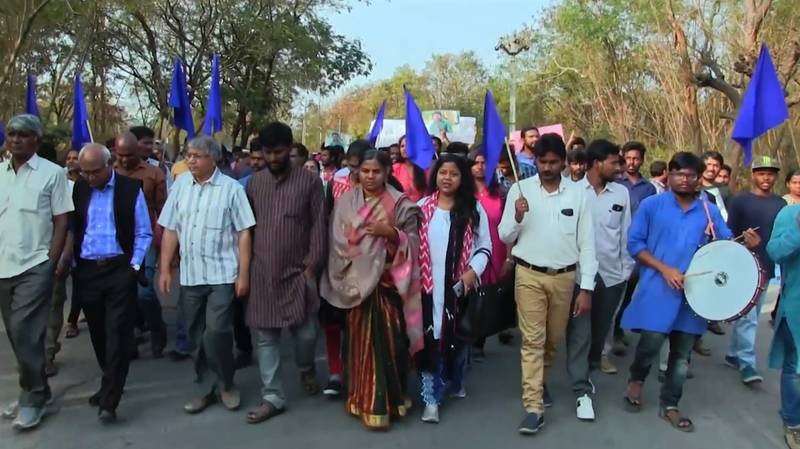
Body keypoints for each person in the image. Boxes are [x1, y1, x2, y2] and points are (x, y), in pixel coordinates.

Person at [620, 152, 760, 432]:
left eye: (690, 175)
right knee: (650, 344)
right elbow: (635, 244)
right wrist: (665, 269)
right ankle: (636, 381)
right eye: (678, 174)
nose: (684, 179)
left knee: (682, 355)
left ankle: (670, 404)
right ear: (669, 176)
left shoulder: (707, 209)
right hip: (658, 289)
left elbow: (725, 244)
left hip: (695, 295)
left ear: (698, 180)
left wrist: (747, 244)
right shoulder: (651, 205)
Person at [498, 133, 597, 435]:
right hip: (528, 275)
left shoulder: (579, 194)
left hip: (565, 278)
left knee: (553, 340)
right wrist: (516, 216)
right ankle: (533, 406)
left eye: (554, 162)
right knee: (532, 340)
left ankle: (539, 382)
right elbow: (504, 235)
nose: (547, 167)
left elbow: (588, 244)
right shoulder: (520, 188)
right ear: (536, 161)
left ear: (564, 163)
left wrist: (587, 288)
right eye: (542, 162)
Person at [319, 149, 422, 429]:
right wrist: (357, 258)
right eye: (365, 171)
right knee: (358, 342)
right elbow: (337, 241)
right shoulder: (346, 202)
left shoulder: (400, 204)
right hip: (355, 283)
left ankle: (390, 401)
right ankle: (361, 399)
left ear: (387, 172)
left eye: (376, 171)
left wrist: (391, 234)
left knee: (389, 344)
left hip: (388, 283)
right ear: (357, 172)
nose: (370, 176)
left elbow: (413, 243)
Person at [158, 136, 256, 415]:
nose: (191, 160)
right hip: (191, 276)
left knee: (217, 332)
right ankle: (205, 387)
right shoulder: (179, 187)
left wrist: (244, 275)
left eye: (197, 156)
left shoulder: (231, 189)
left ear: (214, 159)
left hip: (222, 275)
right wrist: (165, 268)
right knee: (197, 336)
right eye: (188, 155)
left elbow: (244, 232)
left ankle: (226, 384)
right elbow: (170, 229)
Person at [244, 122, 326, 424]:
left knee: (306, 333)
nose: (273, 158)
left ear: (290, 148)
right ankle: (272, 396)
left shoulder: (309, 182)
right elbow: (247, 229)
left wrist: (311, 266)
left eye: (279, 152)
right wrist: (247, 268)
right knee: (266, 338)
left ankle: (305, 367)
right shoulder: (254, 184)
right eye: (268, 152)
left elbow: (319, 224)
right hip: (263, 273)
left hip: (299, 273)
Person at [0, 115, 73, 430]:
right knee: (18, 336)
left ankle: (33, 400)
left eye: (24, 135)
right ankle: (33, 390)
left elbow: (61, 221)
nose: (16, 139)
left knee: (24, 330)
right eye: (12, 134)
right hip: (3, 265)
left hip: (34, 265)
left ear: (37, 141)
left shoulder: (53, 174)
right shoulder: (0, 173)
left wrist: (51, 261)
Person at [71, 143, 152, 423]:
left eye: (94, 172)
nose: (89, 178)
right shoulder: (80, 189)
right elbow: (76, 227)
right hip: (88, 271)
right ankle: (110, 380)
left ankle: (110, 401)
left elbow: (144, 232)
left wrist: (134, 266)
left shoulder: (130, 189)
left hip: (120, 269)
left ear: (109, 165)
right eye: (84, 173)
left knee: (118, 333)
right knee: (98, 333)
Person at [416, 154, 491, 424]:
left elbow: (485, 247)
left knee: (456, 342)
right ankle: (431, 400)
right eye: (443, 172)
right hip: (425, 289)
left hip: (458, 289)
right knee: (431, 341)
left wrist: (473, 270)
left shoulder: (473, 209)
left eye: (454, 174)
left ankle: (455, 379)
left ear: (463, 179)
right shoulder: (422, 207)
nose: (447, 178)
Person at [565, 139, 634, 422]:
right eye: (614, 162)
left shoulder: (621, 194)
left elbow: (626, 234)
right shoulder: (570, 191)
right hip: (579, 276)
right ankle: (581, 385)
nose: (620, 167)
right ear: (596, 163)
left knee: (599, 330)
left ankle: (589, 367)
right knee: (580, 331)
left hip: (612, 275)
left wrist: (625, 270)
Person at [724, 155, 785, 384]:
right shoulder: (740, 201)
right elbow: (728, 234)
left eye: (770, 173)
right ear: (753, 175)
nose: (766, 177)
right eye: (761, 173)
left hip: (767, 267)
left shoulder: (781, 204)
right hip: (744, 265)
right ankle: (747, 363)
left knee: (752, 314)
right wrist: (743, 244)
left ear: (776, 176)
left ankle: (733, 354)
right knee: (748, 317)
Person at [318, 140, 370, 397]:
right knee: (333, 319)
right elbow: (325, 220)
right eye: (351, 168)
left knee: (362, 322)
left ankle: (361, 373)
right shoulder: (334, 186)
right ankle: (335, 373)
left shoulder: (386, 191)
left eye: (360, 168)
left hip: (370, 266)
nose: (356, 175)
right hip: (337, 262)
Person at [113, 132, 168, 359]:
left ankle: (157, 330)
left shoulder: (154, 174)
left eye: (129, 155)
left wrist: (163, 240)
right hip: (117, 241)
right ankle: (130, 339)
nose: (125, 160)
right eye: (120, 155)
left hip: (145, 239)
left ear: (138, 152)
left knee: (144, 292)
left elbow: (163, 210)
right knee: (123, 294)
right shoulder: (110, 173)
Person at [613, 141, 657, 354]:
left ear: (642, 160)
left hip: (637, 246)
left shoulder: (648, 188)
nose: (632, 162)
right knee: (612, 290)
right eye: (628, 158)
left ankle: (618, 328)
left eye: (636, 158)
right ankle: (607, 333)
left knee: (629, 290)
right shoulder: (615, 181)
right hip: (614, 243)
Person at [467, 147, 511, 360]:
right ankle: (465, 337)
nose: (480, 167)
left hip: (496, 253)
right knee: (468, 297)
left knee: (487, 299)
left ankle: (479, 341)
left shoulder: (501, 194)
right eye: (475, 162)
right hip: (469, 255)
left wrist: (509, 258)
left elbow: (510, 229)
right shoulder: (463, 195)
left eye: (484, 162)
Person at [765, 203, 800, 449]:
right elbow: (774, 251)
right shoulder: (790, 214)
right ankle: (793, 422)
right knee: (796, 367)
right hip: (796, 305)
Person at [392, 135, 427, 202]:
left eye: (408, 145)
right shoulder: (395, 168)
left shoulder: (424, 168)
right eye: (402, 146)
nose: (404, 148)